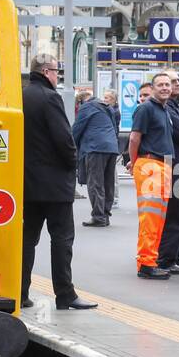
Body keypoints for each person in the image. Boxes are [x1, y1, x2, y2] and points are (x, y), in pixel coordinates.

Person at [20, 54, 96, 311]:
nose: (57, 76)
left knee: (27, 240)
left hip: (27, 184)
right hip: (54, 185)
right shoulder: (50, 98)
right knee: (62, 240)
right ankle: (65, 294)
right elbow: (64, 139)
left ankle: (20, 292)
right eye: (56, 72)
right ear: (45, 72)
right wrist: (72, 165)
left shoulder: (22, 95)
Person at [128, 72, 175, 280]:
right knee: (150, 219)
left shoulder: (163, 109)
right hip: (150, 165)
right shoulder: (146, 108)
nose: (165, 87)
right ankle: (146, 264)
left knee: (157, 220)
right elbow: (134, 138)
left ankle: (150, 261)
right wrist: (135, 160)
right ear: (153, 88)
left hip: (161, 166)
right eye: (161, 85)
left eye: (167, 84)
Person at [157, 83, 179, 272]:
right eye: (171, 82)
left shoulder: (176, 107)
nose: (176, 84)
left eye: (177, 80)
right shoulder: (167, 109)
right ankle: (167, 259)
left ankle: (175, 257)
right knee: (175, 216)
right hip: (174, 165)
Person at [72, 90, 119, 227]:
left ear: (81, 101)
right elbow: (114, 127)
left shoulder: (86, 107)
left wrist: (70, 146)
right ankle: (105, 215)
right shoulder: (106, 106)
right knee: (108, 182)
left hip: (95, 147)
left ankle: (98, 216)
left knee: (95, 182)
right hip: (111, 147)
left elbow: (77, 129)